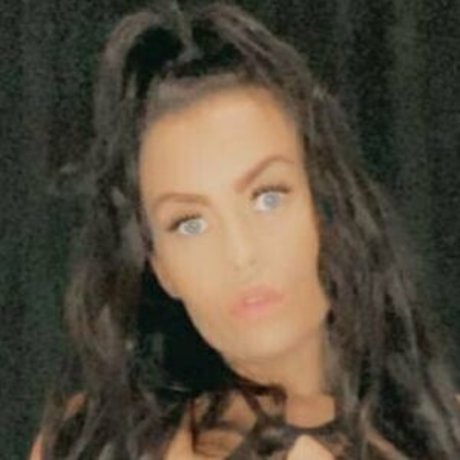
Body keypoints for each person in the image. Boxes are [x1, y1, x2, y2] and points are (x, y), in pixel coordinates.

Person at [29, 1, 460, 459]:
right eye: (190, 224)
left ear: (327, 202)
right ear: (159, 266)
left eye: (267, 197)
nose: (240, 253)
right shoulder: (94, 444)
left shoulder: (443, 435)